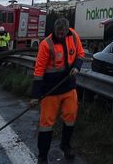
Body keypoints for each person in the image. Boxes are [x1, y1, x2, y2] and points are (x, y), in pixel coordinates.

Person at [31, 18, 84, 164]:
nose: (60, 35)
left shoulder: (73, 36)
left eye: (63, 32)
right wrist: (35, 95)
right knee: (46, 124)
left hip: (68, 86)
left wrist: (77, 67)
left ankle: (65, 145)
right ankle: (42, 155)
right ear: (55, 30)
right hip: (50, 90)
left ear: (68, 30)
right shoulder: (46, 44)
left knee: (71, 116)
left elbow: (80, 54)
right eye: (58, 32)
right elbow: (39, 70)